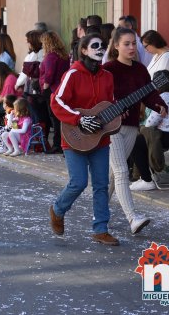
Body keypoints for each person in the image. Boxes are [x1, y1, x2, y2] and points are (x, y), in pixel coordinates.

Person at [49, 33, 119, 246]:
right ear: (84, 50)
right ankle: (57, 209)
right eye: (95, 46)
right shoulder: (73, 74)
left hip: (100, 138)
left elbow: (110, 103)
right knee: (78, 182)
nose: (100, 49)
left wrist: (117, 113)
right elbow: (57, 101)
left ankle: (101, 229)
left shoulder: (107, 76)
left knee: (101, 185)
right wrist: (79, 119)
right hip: (74, 137)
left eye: (103, 46)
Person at [103, 27, 168, 235]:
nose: (132, 47)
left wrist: (159, 104)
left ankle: (99, 214)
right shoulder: (108, 69)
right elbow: (101, 98)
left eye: (134, 43)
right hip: (111, 128)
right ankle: (133, 218)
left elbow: (149, 92)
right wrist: (112, 107)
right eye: (126, 44)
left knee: (114, 175)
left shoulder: (140, 69)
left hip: (131, 126)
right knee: (122, 171)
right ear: (116, 46)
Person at [129, 70, 169, 191]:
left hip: (166, 136)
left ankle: (146, 179)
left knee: (136, 142)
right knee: (140, 138)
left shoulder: (163, 97)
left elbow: (150, 122)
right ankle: (142, 177)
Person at [39, 31, 70, 154]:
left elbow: (49, 74)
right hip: (61, 88)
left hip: (52, 90)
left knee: (55, 118)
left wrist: (45, 88)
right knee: (60, 118)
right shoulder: (63, 55)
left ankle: (58, 144)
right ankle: (63, 143)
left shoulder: (51, 56)